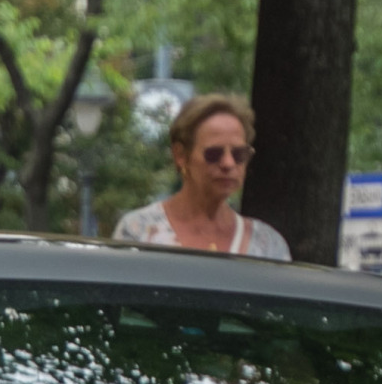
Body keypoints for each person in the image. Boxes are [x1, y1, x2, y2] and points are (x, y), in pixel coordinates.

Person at [113, 93, 291, 260]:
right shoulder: (138, 233)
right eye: (213, 153)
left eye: (239, 154)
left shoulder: (268, 245)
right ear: (181, 155)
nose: (228, 164)